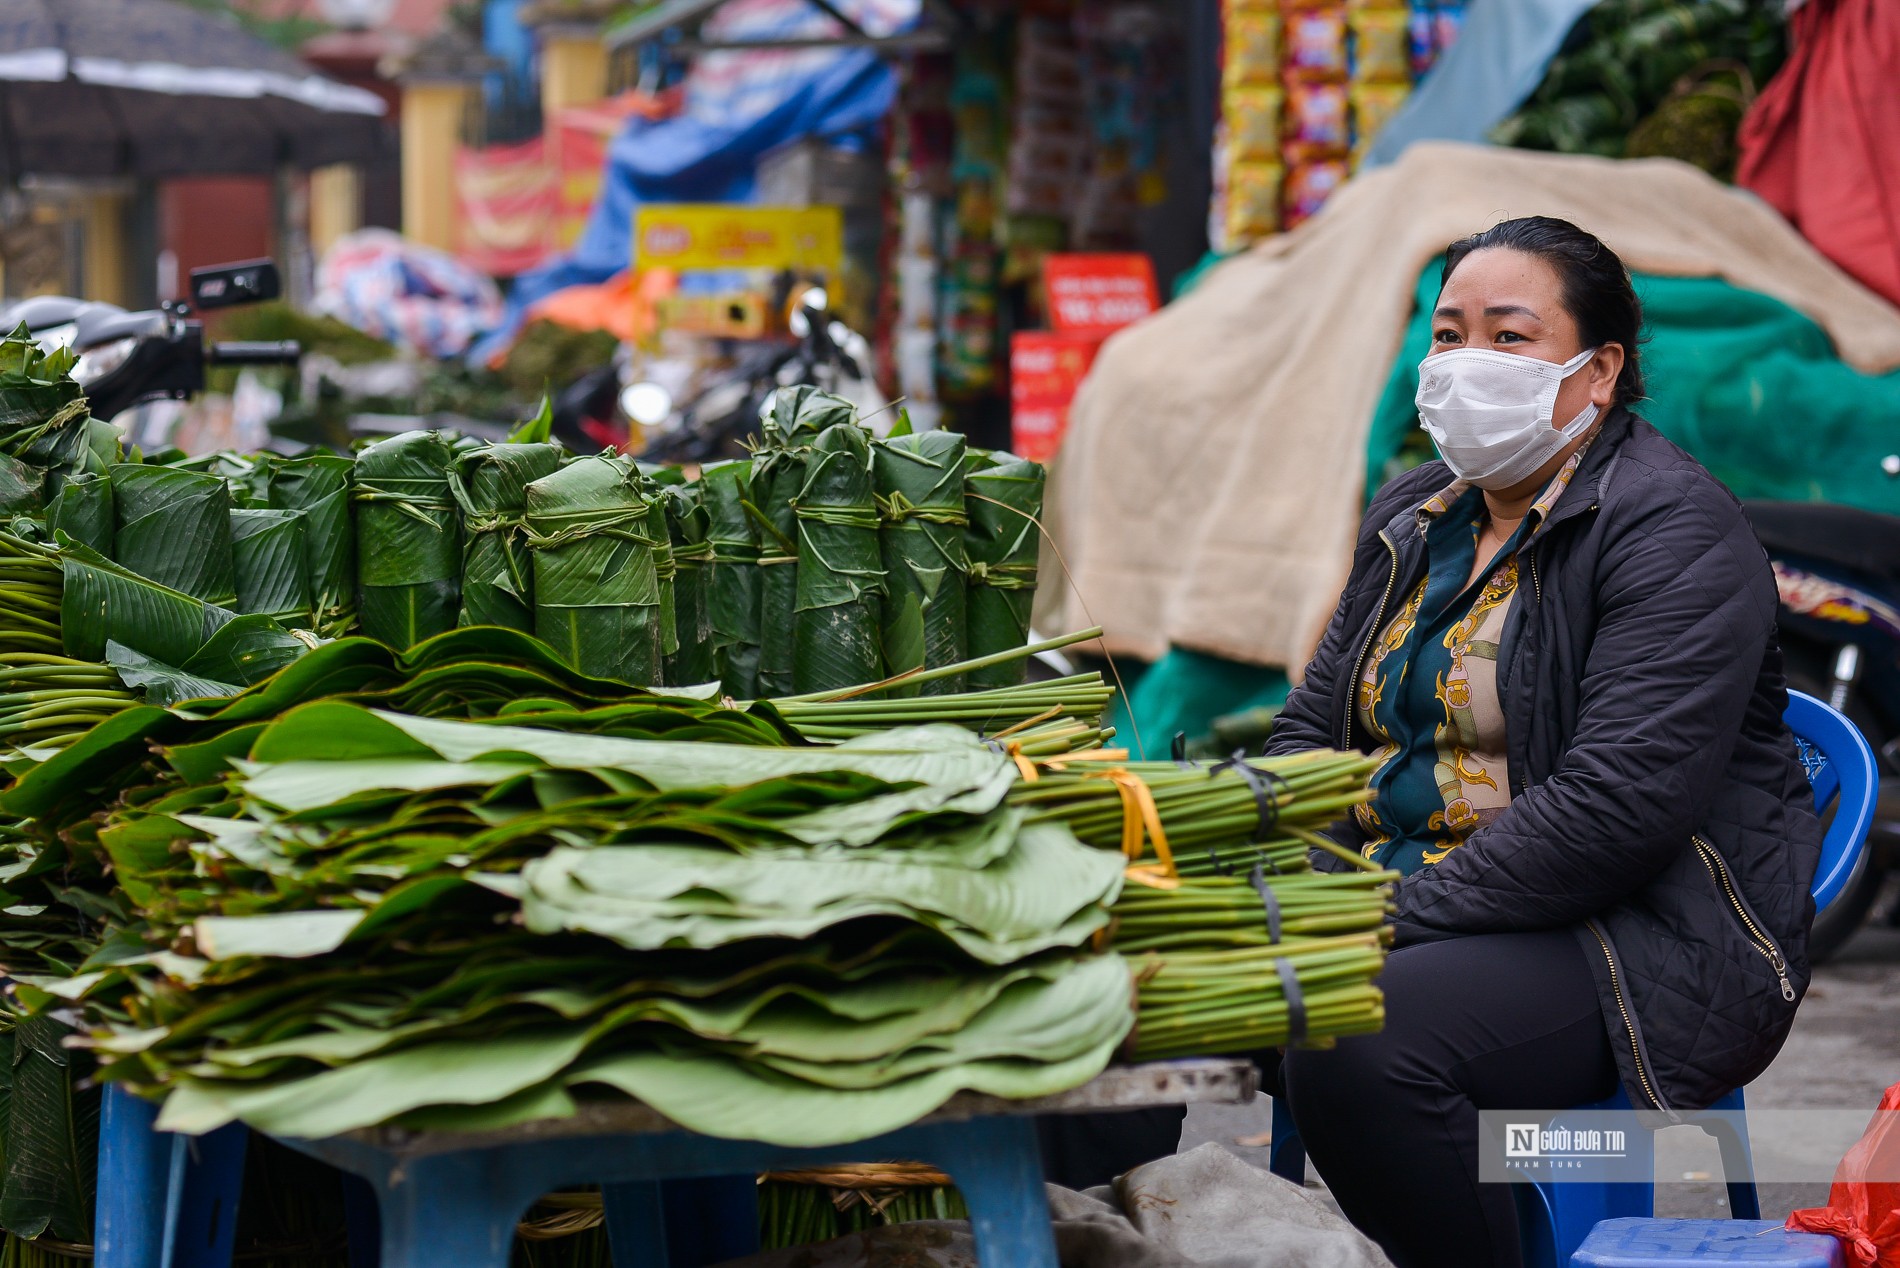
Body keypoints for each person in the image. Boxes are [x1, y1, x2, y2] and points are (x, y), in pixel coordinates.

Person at [1262, 216, 1823, 1268]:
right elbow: (1315, 729)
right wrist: (1249, 872)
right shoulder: (1414, 512)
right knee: (1107, 998)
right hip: (1404, 892)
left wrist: (1379, 916)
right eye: (1448, 333)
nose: (1468, 362)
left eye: (1508, 337)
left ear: (1597, 368)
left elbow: (1616, 809)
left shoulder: (1672, 529)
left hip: (1627, 927)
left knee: (1359, 1038)